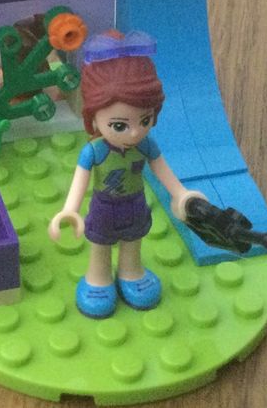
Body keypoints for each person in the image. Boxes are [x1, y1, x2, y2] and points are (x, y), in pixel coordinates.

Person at [48, 31, 205, 318]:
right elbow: (80, 182)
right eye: (120, 125)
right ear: (94, 118)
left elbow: (162, 170)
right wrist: (70, 210)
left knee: (133, 242)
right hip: (104, 206)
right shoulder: (94, 152)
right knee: (100, 245)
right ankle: (98, 278)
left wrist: (181, 194)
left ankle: (131, 273)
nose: (135, 133)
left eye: (145, 120)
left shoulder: (145, 146)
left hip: (135, 204)